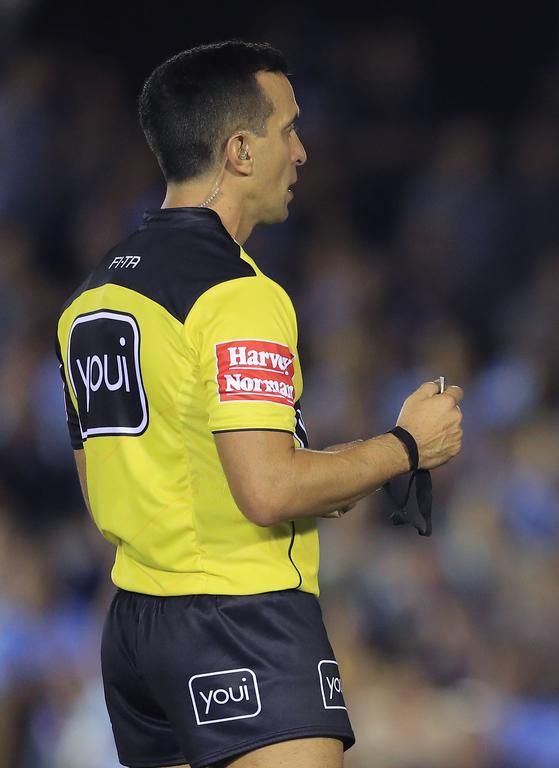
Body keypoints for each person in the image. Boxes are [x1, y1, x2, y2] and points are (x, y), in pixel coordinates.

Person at [54, 41, 463, 768]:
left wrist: (325, 476)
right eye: (288, 129)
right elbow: (267, 489)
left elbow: (105, 482)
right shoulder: (238, 295)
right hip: (242, 618)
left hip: (136, 632)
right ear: (240, 150)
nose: (302, 152)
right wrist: (406, 447)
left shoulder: (93, 294)